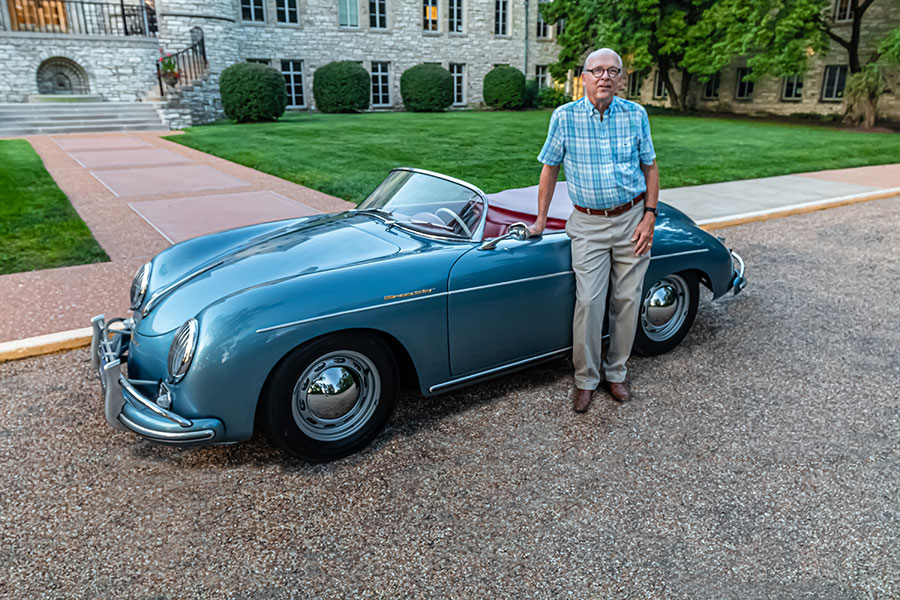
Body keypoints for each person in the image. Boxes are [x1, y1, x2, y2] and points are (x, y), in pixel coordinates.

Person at [530, 48, 659, 412]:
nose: (605, 77)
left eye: (612, 71)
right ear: (583, 77)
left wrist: (649, 215)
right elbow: (549, 168)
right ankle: (585, 379)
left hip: (632, 219)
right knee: (589, 301)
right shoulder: (564, 117)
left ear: (621, 78)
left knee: (628, 300)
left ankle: (616, 372)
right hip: (587, 223)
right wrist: (540, 221)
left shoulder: (636, 114)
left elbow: (650, 167)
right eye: (597, 70)